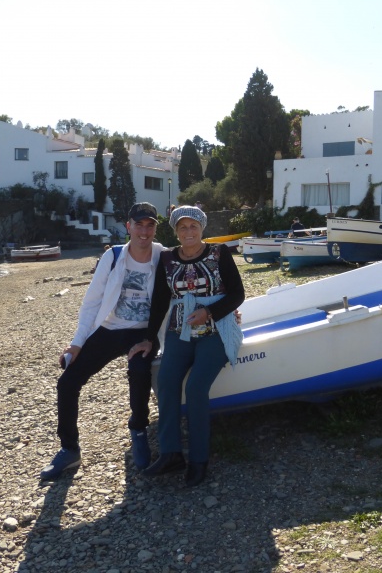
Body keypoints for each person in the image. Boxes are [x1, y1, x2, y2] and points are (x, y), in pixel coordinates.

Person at [40, 202, 165, 481]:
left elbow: (186, 289)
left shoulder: (164, 257)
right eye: (139, 225)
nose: (144, 231)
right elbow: (92, 302)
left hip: (144, 331)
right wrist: (77, 342)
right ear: (128, 227)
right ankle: (69, 449)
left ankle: (139, 431)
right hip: (109, 328)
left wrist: (227, 313)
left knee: (140, 372)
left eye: (150, 225)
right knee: (68, 382)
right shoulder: (113, 256)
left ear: (156, 228)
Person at [129, 205, 245, 487]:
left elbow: (238, 294)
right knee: (167, 381)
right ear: (175, 231)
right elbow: (158, 301)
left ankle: (199, 459)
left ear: (202, 229)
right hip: (179, 331)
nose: (188, 232)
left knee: (195, 388)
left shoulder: (220, 253)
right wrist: (150, 339)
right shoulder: (167, 258)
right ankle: (171, 454)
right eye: (182, 227)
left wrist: (210, 313)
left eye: (193, 226)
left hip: (217, 330)